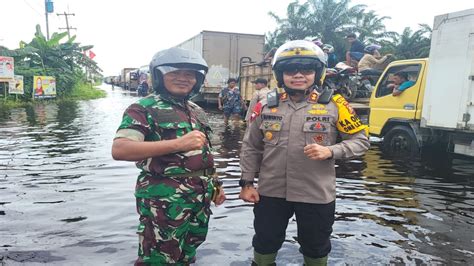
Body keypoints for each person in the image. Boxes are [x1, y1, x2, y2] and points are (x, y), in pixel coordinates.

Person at [239, 40, 370, 266]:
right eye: (290, 70)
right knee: (264, 242)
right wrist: (247, 183)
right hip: (271, 191)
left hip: (315, 193)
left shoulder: (335, 104)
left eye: (307, 70)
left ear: (317, 73)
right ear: (280, 75)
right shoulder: (266, 105)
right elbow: (251, 146)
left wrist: (331, 151)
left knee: (316, 245)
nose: (298, 75)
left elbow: (361, 141)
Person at [111, 47, 226, 265]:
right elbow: (121, 149)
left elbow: (204, 152)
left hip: (199, 197)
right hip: (163, 200)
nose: (183, 79)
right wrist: (178, 144)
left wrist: (216, 185)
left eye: (190, 75)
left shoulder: (196, 110)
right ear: (160, 76)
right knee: (158, 257)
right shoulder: (143, 108)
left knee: (188, 252)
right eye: (175, 73)